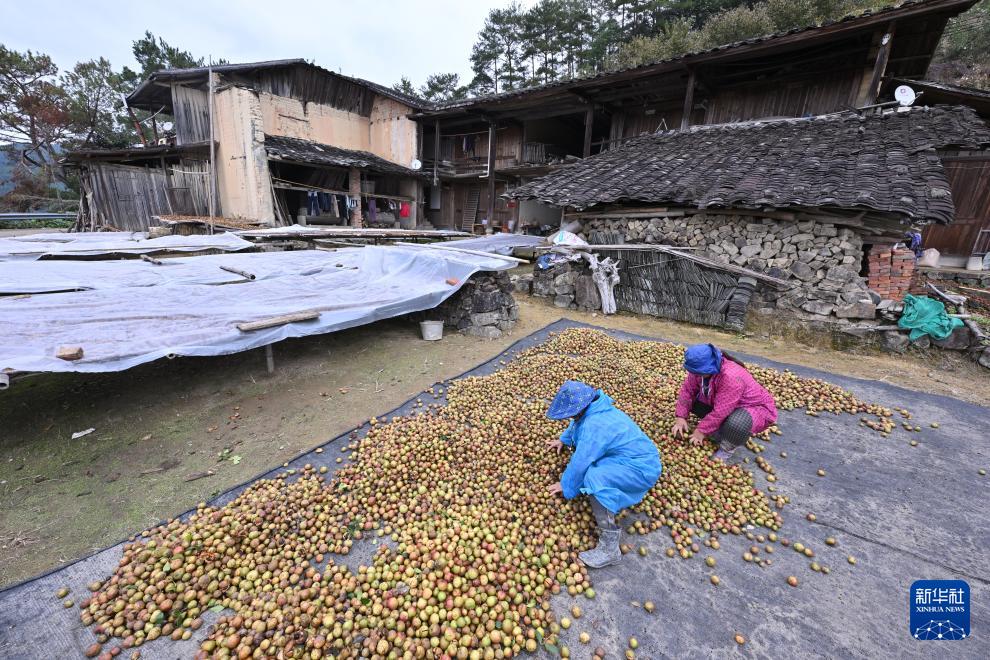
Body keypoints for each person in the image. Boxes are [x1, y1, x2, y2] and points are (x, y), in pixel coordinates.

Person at [546, 380, 663, 568]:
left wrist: (566, 485)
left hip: (640, 469)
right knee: (592, 468)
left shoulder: (596, 425)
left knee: (593, 477)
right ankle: (615, 492)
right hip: (631, 459)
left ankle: (609, 548)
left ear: (579, 409)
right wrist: (563, 440)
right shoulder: (594, 408)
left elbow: (581, 461)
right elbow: (577, 424)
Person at [671, 343, 778, 462]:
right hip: (726, 403)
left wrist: (701, 431)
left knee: (737, 424)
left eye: (698, 372)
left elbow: (721, 412)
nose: (695, 375)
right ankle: (720, 430)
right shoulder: (699, 370)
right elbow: (687, 390)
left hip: (754, 408)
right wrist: (680, 417)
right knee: (693, 401)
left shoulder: (730, 377)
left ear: (709, 367)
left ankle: (728, 448)